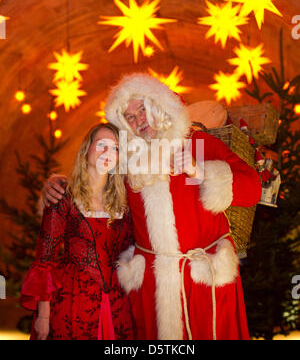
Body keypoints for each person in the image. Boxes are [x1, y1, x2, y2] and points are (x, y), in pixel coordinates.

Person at [42, 73, 262, 340]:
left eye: (143, 109)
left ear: (159, 105)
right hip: (152, 288)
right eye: (130, 117)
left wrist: (200, 171)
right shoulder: (125, 162)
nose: (139, 120)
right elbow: (92, 187)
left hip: (204, 281)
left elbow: (252, 188)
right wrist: (57, 184)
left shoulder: (199, 144)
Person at [20, 123, 135, 340]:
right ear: (87, 149)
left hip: (117, 305)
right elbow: (46, 259)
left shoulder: (125, 202)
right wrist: (44, 316)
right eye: (101, 144)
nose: (107, 153)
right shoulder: (63, 196)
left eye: (115, 148)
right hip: (72, 302)